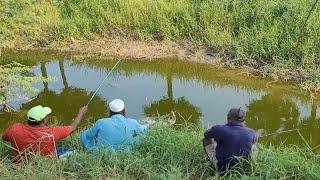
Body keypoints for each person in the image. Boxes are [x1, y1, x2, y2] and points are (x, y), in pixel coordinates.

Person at [2, 105, 87, 162]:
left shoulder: (15, 128)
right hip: (46, 162)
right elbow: (72, 128)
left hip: (19, 162)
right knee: (74, 150)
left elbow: (4, 138)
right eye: (46, 116)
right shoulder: (52, 132)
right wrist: (81, 113)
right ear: (44, 120)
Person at [80, 99, 149, 152]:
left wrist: (90, 145)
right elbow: (144, 129)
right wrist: (147, 124)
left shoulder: (101, 122)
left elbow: (85, 136)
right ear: (124, 111)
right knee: (139, 136)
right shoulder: (132, 122)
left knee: (89, 137)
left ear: (110, 112)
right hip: (126, 152)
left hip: (102, 154)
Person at [203, 107, 257, 172]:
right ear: (243, 120)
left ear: (228, 117)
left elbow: (206, 135)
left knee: (206, 140)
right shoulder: (251, 132)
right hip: (243, 168)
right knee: (254, 144)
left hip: (222, 169)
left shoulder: (218, 129)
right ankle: (251, 164)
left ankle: (214, 162)